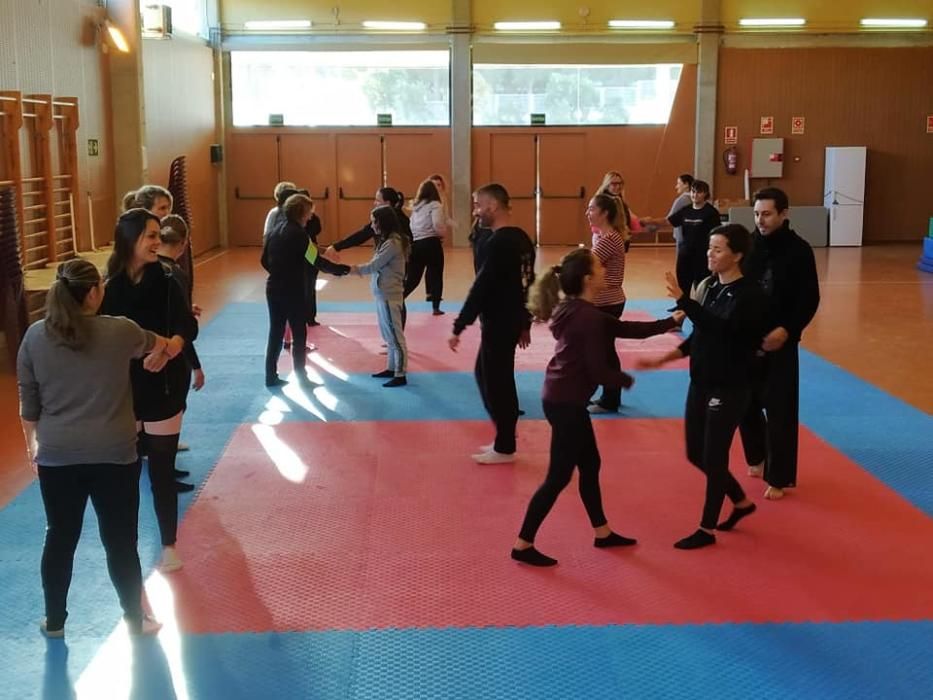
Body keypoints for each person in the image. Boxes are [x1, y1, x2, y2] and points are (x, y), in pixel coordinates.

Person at [17, 259, 173, 637]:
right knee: (121, 541)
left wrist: (31, 447)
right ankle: (136, 620)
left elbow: (30, 402)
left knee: (60, 536)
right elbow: (161, 343)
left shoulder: (35, 336)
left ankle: (54, 622)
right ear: (91, 293)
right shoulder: (120, 331)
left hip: (57, 454)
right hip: (115, 455)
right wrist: (166, 350)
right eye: (100, 286)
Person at [511, 249, 683, 566]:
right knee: (558, 478)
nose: (605, 270)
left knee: (590, 465)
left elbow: (627, 328)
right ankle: (523, 544)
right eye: (599, 267)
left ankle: (602, 532)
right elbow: (599, 371)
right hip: (566, 402)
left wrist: (670, 321)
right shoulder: (586, 317)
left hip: (562, 397)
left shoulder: (575, 308)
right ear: (589, 278)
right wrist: (628, 379)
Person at [637, 224, 766, 549]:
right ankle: (740, 502)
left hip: (730, 387)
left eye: (718, 249)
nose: (710, 253)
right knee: (695, 453)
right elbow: (701, 336)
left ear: (737, 255)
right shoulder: (711, 287)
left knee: (714, 457)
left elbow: (724, 331)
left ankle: (706, 529)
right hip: (701, 382)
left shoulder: (750, 295)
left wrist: (685, 301)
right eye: (710, 247)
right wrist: (664, 358)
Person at [100, 209, 199, 573]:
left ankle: (169, 543)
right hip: (125, 389)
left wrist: (170, 347)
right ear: (130, 240)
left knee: (161, 469)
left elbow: (187, 325)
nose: (158, 242)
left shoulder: (168, 277)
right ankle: (126, 547)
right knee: (125, 474)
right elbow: (101, 335)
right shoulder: (109, 287)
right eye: (151, 236)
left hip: (165, 384)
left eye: (159, 235)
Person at [738, 187, 820, 500]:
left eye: (767, 214)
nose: (761, 220)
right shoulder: (748, 245)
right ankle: (757, 456)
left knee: (780, 409)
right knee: (744, 402)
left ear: (784, 214)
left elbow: (809, 298)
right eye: (757, 214)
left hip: (781, 339)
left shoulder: (799, 251)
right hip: (748, 339)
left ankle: (779, 475)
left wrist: (787, 329)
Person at [448, 184, 536, 464]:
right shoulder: (522, 238)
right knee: (489, 376)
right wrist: (525, 322)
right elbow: (529, 284)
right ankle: (504, 437)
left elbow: (482, 286)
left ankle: (505, 445)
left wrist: (460, 325)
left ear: (493, 206)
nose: (476, 210)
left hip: (499, 321)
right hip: (508, 320)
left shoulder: (498, 243)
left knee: (496, 382)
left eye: (478, 205)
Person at [261, 193, 349, 387]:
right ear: (301, 213)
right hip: (292, 290)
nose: (311, 217)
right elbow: (314, 260)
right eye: (309, 212)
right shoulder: (300, 234)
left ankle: (270, 376)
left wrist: (278, 272)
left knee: (275, 332)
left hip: (273, 287)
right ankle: (301, 377)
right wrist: (340, 270)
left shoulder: (276, 230)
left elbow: (264, 260)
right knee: (299, 333)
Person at [157, 215, 203, 493]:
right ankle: (164, 476)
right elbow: (184, 327)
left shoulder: (144, 272)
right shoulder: (174, 275)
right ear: (183, 244)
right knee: (171, 410)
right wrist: (195, 365)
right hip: (172, 355)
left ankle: (162, 470)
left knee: (152, 417)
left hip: (149, 351)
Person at [349, 205, 410, 387]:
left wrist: (350, 270)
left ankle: (400, 373)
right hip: (383, 294)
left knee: (395, 335)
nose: (372, 225)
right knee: (388, 335)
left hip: (390, 295)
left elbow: (374, 265)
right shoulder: (385, 241)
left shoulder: (393, 243)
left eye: (374, 221)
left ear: (383, 222)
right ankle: (392, 368)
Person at [586, 194, 630, 414]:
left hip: (608, 303)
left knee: (604, 352)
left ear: (604, 213)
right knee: (603, 350)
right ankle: (608, 395)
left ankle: (610, 398)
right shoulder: (601, 237)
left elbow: (587, 265)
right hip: (603, 302)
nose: (588, 213)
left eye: (592, 209)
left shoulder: (609, 239)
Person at [645, 180, 721, 296]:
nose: (695, 195)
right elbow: (668, 221)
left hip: (702, 257)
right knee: (683, 284)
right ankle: (681, 307)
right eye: (693, 192)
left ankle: (700, 308)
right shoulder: (686, 210)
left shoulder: (711, 213)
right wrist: (650, 221)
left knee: (702, 287)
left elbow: (717, 235)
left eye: (699, 192)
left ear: (705, 194)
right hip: (685, 255)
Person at [324, 187, 411, 258]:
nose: (374, 203)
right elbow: (361, 235)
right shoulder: (396, 217)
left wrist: (336, 247)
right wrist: (337, 247)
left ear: (387, 203)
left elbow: (361, 236)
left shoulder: (388, 220)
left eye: (378, 200)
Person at [405, 178, 449, 315]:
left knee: (413, 277)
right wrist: (443, 233)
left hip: (417, 244)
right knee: (436, 274)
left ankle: (399, 297)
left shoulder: (416, 208)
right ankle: (436, 307)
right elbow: (437, 224)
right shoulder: (436, 205)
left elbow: (411, 226)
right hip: (431, 243)